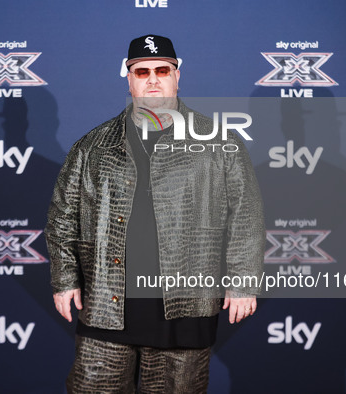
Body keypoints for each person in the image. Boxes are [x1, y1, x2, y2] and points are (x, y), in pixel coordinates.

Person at [45, 34, 265, 393]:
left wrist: (242, 282)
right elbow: (63, 216)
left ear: (178, 75)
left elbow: (245, 215)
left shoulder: (219, 141)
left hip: (185, 306)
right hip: (106, 303)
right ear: (128, 78)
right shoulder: (93, 145)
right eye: (141, 71)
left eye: (162, 70)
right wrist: (65, 278)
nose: (152, 79)